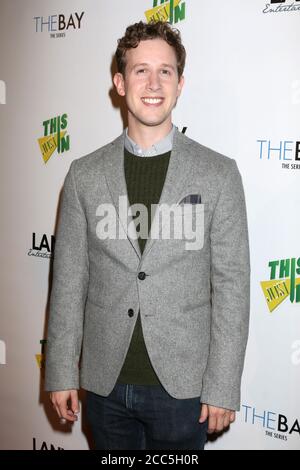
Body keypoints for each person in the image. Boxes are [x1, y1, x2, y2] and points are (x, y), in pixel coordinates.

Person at [45, 20, 250, 450]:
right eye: (140, 70)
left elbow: (232, 287)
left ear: (180, 83)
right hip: (103, 385)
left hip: (185, 390)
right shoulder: (84, 174)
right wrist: (62, 370)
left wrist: (223, 384)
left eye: (165, 71)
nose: (153, 82)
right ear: (120, 82)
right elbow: (68, 282)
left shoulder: (219, 174)